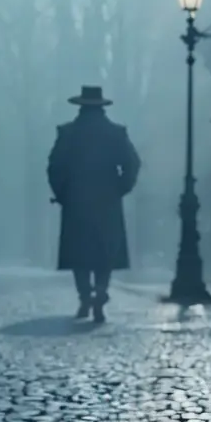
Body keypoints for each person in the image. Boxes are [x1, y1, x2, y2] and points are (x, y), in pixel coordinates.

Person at [47, 86, 141, 322]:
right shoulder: (115, 133)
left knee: (79, 254)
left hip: (76, 201)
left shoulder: (68, 132)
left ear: (80, 106)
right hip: (107, 201)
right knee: (104, 253)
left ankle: (85, 297)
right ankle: (100, 291)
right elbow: (132, 164)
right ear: (101, 107)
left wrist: (62, 193)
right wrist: (120, 188)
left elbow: (54, 167)